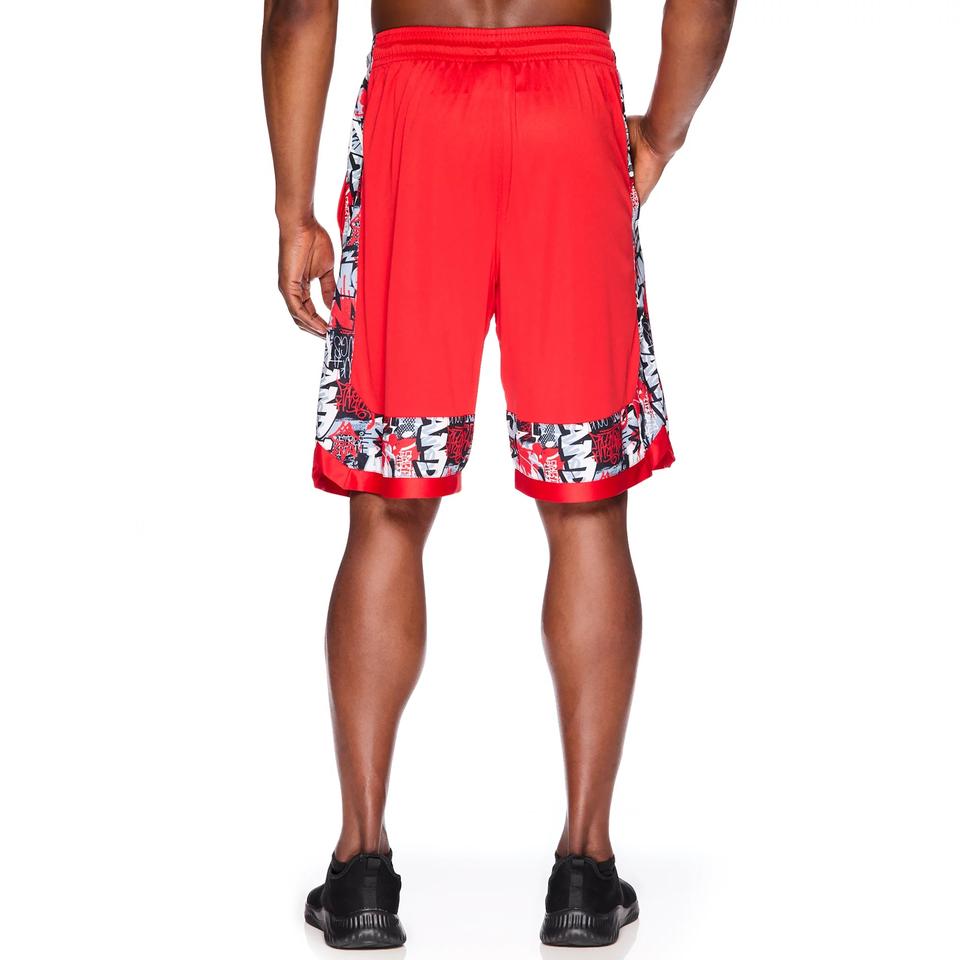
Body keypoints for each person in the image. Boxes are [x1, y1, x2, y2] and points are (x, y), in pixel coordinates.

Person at [262, 0, 735, 947]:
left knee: (388, 499)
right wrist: (661, 132)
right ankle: (586, 873)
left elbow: (301, 7)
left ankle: (361, 871)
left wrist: (293, 207)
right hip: (570, 106)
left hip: (415, 112)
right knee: (587, 500)